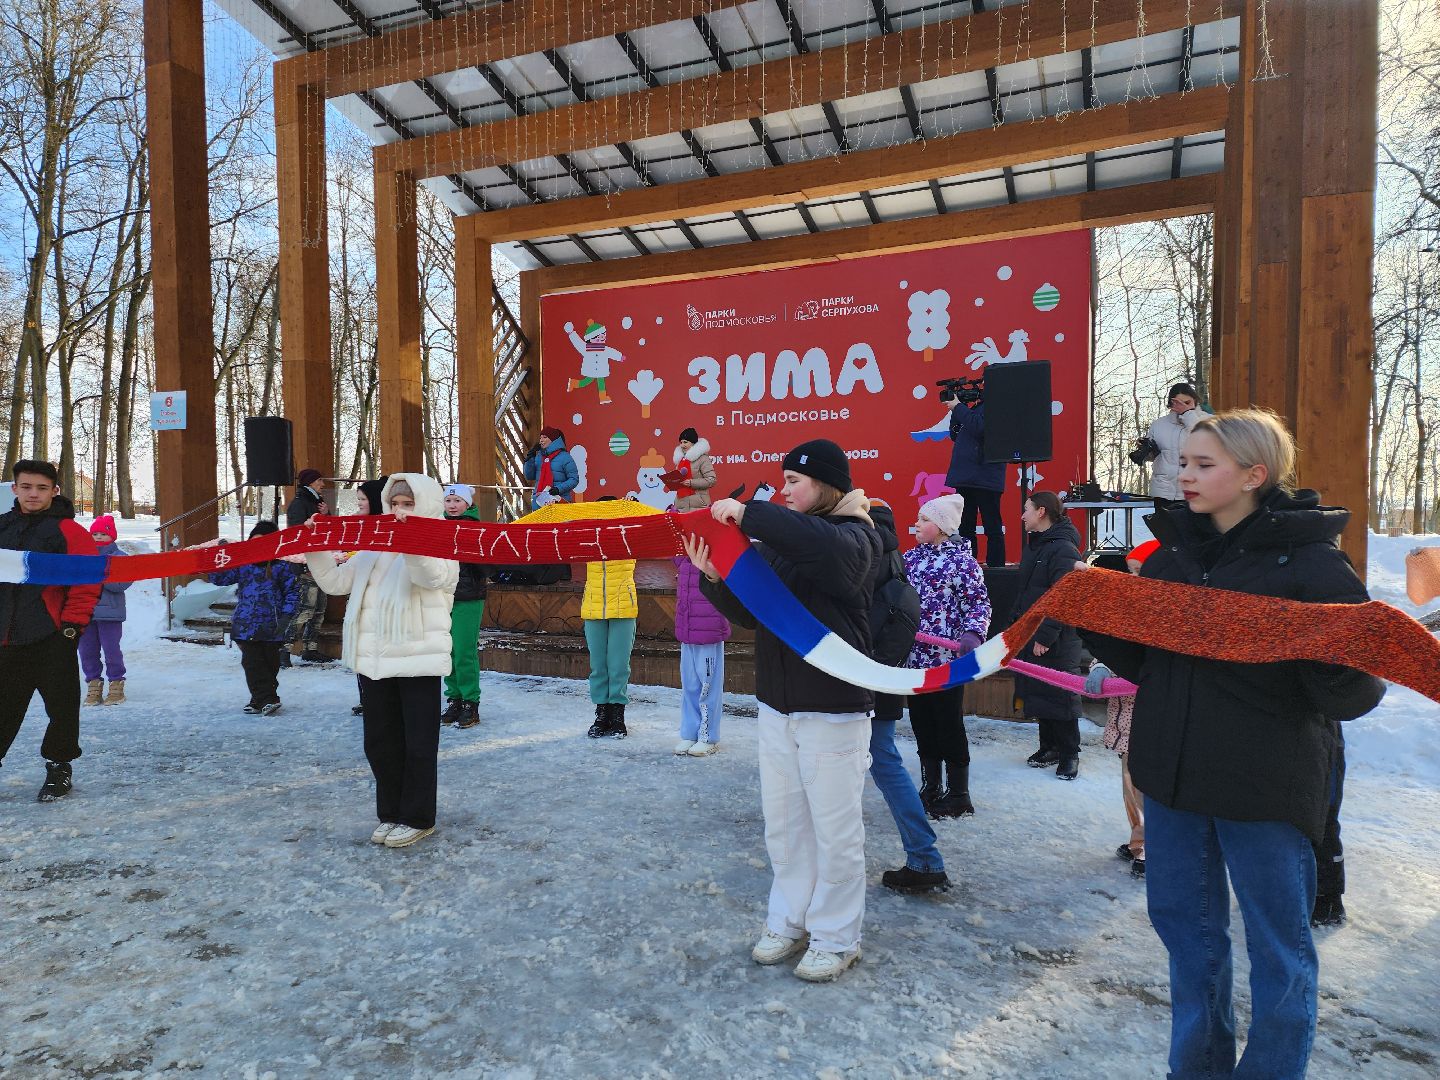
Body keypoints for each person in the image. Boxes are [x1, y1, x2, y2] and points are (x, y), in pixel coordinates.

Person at [1081, 408, 1385, 1080]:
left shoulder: (1312, 563)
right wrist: (1100, 612)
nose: (1183, 474)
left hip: (1264, 791)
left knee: (1279, 956)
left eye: (1202, 464)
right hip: (1174, 785)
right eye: (1183, 462)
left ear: (1255, 474)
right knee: (1190, 946)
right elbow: (1150, 663)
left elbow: (1356, 693)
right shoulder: (1171, 556)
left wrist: (1338, 659)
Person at [691, 438, 881, 983]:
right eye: (782, 482)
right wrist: (715, 577)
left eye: (794, 482)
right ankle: (789, 920)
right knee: (786, 827)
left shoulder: (856, 536)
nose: (784, 489)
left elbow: (823, 550)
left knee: (835, 832)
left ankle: (838, 936)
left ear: (825, 485)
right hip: (777, 707)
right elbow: (755, 611)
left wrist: (751, 514)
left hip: (834, 711)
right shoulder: (786, 541)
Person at [305, 474, 459, 849]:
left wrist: (409, 542)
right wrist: (315, 545)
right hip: (372, 660)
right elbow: (336, 583)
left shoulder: (442, 542)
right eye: (394, 503)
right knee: (380, 743)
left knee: (418, 745)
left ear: (425, 504)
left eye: (408, 503)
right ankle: (391, 813)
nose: (399, 511)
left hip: (417, 660)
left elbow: (431, 576)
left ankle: (418, 817)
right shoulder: (372, 545)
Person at [0, 459, 100, 802]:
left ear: (54, 491)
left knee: (62, 707)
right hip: (6, 639)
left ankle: (59, 767)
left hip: (51, 637)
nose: (33, 494)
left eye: (42, 488)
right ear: (14, 489)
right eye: (26, 486)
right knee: (3, 706)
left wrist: (71, 628)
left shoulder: (70, 532)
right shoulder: (1, 527)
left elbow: (87, 582)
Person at [865, 500, 949, 894]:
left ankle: (925, 857)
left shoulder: (868, 572)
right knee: (887, 767)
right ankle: (924, 856)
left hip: (859, 694)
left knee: (886, 768)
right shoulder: (898, 573)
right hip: (882, 692)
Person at [902, 494, 992, 817]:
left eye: (924, 520)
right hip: (915, 661)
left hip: (946, 662)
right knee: (921, 722)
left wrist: (973, 632)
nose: (917, 524)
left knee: (948, 724)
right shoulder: (910, 560)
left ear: (941, 527)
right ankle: (931, 785)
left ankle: (959, 793)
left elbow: (979, 604)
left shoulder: (962, 563)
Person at [1086, 539, 1160, 879]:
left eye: (1139, 571)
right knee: (1129, 781)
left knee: (1146, 783)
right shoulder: (1128, 607)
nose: (1132, 577)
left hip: (1149, 714)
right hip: (1124, 711)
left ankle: (1154, 847)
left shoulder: (1162, 612)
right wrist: (1100, 666)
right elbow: (1116, 648)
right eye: (1129, 571)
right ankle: (1139, 838)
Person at [1010, 491, 1085, 780]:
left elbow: (1065, 598)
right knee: (1039, 690)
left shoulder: (1063, 548)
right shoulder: (1035, 547)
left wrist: (1045, 635)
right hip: (1032, 631)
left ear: (1041, 512)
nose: (1022, 515)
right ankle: (1049, 747)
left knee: (1060, 694)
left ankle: (1070, 754)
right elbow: (1028, 591)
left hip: (1056, 637)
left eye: (1026, 509)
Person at [208, 520, 306, 716]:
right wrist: (219, 557)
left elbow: (292, 592)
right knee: (252, 664)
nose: (256, 546)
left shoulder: (282, 567)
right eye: (253, 541)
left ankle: (258, 699)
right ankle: (268, 699)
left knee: (269, 664)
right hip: (246, 624)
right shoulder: (244, 564)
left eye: (261, 542)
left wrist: (287, 615)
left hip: (272, 625)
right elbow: (220, 578)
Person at [583, 496, 638, 740]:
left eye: (611, 513)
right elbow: (561, 531)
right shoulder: (587, 539)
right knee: (598, 667)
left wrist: (630, 509)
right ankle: (601, 713)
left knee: (618, 666)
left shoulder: (628, 537)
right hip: (593, 608)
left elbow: (645, 526)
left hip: (623, 607)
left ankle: (617, 714)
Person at [672, 542, 730, 755]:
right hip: (687, 627)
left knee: (708, 686)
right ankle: (689, 733)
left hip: (709, 627)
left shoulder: (715, 541)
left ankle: (708, 736)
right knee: (689, 685)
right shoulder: (682, 546)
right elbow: (675, 556)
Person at [442, 483, 486, 730]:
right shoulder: (437, 526)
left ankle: (471, 701)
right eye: (449, 501)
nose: (452, 505)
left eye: (457, 500)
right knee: (447, 649)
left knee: (463, 650)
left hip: (469, 596)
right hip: (443, 595)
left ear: (468, 504)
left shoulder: (476, 528)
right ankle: (454, 697)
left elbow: (487, 563)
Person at [944, 392, 1006, 567]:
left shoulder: (997, 407)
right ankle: (967, 567)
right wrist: (956, 412)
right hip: (965, 477)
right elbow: (955, 434)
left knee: (992, 526)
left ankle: (996, 568)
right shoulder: (973, 410)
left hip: (986, 477)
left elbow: (980, 427)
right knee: (965, 527)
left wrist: (958, 407)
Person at [348, 475, 389, 716]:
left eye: (363, 499)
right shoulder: (358, 526)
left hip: (381, 604)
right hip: (360, 599)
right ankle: (366, 696)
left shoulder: (385, 529)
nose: (359, 504)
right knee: (363, 651)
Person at [80, 514, 132, 706]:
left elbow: (121, 584)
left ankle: (116, 685)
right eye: (95, 534)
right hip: (86, 613)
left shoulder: (120, 558)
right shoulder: (83, 557)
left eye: (103, 533)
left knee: (111, 650)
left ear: (112, 536)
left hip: (110, 614)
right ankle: (93, 685)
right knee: (87, 651)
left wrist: (100, 574)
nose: (99, 537)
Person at [286, 467, 330, 661]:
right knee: (306, 609)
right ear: (310, 483)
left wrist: (327, 515)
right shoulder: (298, 504)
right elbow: (297, 535)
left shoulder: (318, 503)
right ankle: (284, 648)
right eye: (319, 480)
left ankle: (310, 648)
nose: (322, 484)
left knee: (319, 608)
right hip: (307, 565)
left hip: (322, 563)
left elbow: (328, 532)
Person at [1145, 382, 1204, 502]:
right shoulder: (1158, 424)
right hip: (1163, 492)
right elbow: (1153, 458)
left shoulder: (1208, 421)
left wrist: (1188, 415)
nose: (1183, 406)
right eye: (1178, 403)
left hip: (1194, 491)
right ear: (1171, 404)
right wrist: (1146, 451)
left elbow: (1204, 442)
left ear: (1195, 401)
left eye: (1187, 403)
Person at [522, 427, 579, 510]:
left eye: (545, 437)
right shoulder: (538, 456)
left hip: (559, 502)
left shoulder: (565, 457)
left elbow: (574, 479)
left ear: (553, 440)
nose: (541, 440)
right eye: (540, 438)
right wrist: (530, 459)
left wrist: (558, 489)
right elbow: (529, 476)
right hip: (539, 503)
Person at [669, 427, 717, 512]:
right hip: (681, 506)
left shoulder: (703, 459)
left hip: (699, 506)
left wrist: (691, 483)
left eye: (685, 442)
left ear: (693, 443)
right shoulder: (680, 460)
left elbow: (711, 480)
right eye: (681, 442)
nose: (682, 445)